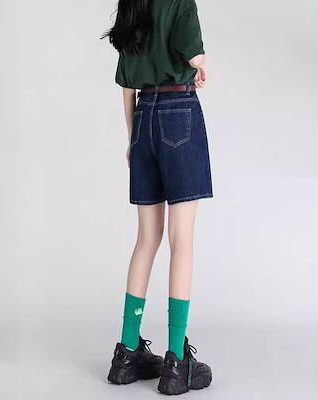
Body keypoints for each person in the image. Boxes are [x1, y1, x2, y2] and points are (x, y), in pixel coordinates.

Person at [101, 0, 213, 395]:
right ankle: (176, 361)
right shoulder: (180, 2)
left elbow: (126, 87)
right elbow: (193, 53)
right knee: (181, 240)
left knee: (147, 239)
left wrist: (133, 139)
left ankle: (127, 352)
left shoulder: (131, 4)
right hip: (178, 111)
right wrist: (201, 66)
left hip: (143, 118)